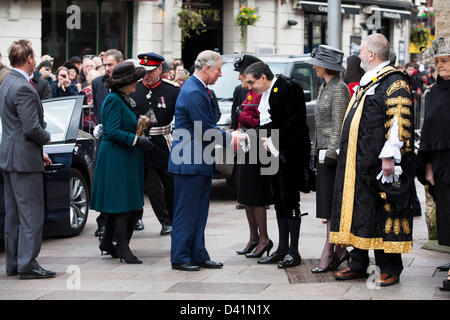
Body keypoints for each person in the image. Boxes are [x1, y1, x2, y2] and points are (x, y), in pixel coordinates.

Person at [330, 34, 415, 287]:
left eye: (361, 50)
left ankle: (390, 267)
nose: (358, 55)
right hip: (358, 163)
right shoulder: (370, 81)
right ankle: (358, 262)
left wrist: (389, 157)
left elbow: (399, 120)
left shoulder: (393, 81)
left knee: (383, 213)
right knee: (360, 212)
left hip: (379, 164)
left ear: (371, 54)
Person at [168, 50, 246, 271]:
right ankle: (181, 257)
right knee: (187, 212)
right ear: (207, 68)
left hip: (198, 160)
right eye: (219, 69)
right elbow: (205, 129)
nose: (221, 74)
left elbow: (211, 119)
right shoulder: (194, 92)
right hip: (189, 161)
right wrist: (232, 137)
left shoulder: (200, 89)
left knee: (199, 212)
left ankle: (197, 254)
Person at [244, 62, 311, 269]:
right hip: (271, 153)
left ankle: (293, 251)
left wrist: (273, 140)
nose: (249, 87)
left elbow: (297, 123)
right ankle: (282, 249)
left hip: (289, 155)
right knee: (278, 200)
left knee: (290, 201)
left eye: (251, 82)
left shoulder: (290, 88)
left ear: (263, 78)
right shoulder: (265, 93)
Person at [0, 39, 55, 279]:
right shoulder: (22, 86)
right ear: (30, 59)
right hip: (23, 160)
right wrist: (47, 138)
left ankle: (14, 262)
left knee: (13, 214)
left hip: (11, 157)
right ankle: (27, 263)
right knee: (31, 213)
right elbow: (32, 128)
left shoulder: (6, 82)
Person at [90, 61, 152, 264]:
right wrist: (137, 140)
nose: (137, 84)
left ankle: (108, 242)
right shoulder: (113, 100)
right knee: (121, 205)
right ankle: (123, 248)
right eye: (135, 80)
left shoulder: (123, 98)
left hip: (125, 156)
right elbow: (112, 131)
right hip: (116, 157)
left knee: (122, 204)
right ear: (126, 82)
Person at [306, 45, 351, 273]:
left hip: (331, 157)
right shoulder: (325, 87)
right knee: (326, 207)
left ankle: (330, 250)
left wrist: (331, 155)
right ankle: (339, 251)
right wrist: (315, 153)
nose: (313, 66)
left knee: (332, 207)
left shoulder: (339, 88)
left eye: (316, 63)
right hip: (322, 153)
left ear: (325, 66)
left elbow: (339, 125)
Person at [130, 52, 180, 235]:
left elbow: (179, 116)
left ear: (160, 69)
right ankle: (135, 218)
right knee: (137, 183)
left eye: (151, 71)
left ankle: (171, 221)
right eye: (144, 71)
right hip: (140, 142)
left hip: (163, 143)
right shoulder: (134, 89)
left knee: (170, 183)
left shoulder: (172, 90)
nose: (147, 75)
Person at [419, 37, 450, 292]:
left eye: (445, 61)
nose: (440, 65)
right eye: (438, 61)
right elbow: (427, 131)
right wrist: (427, 167)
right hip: (440, 163)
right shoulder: (434, 92)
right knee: (447, 214)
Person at [91, 49, 124, 238]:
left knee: (119, 181)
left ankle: (131, 217)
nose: (107, 69)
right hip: (104, 139)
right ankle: (102, 222)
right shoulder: (98, 83)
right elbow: (97, 109)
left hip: (121, 138)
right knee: (103, 181)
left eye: (110, 64)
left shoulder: (129, 84)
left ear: (120, 63)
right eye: (104, 65)